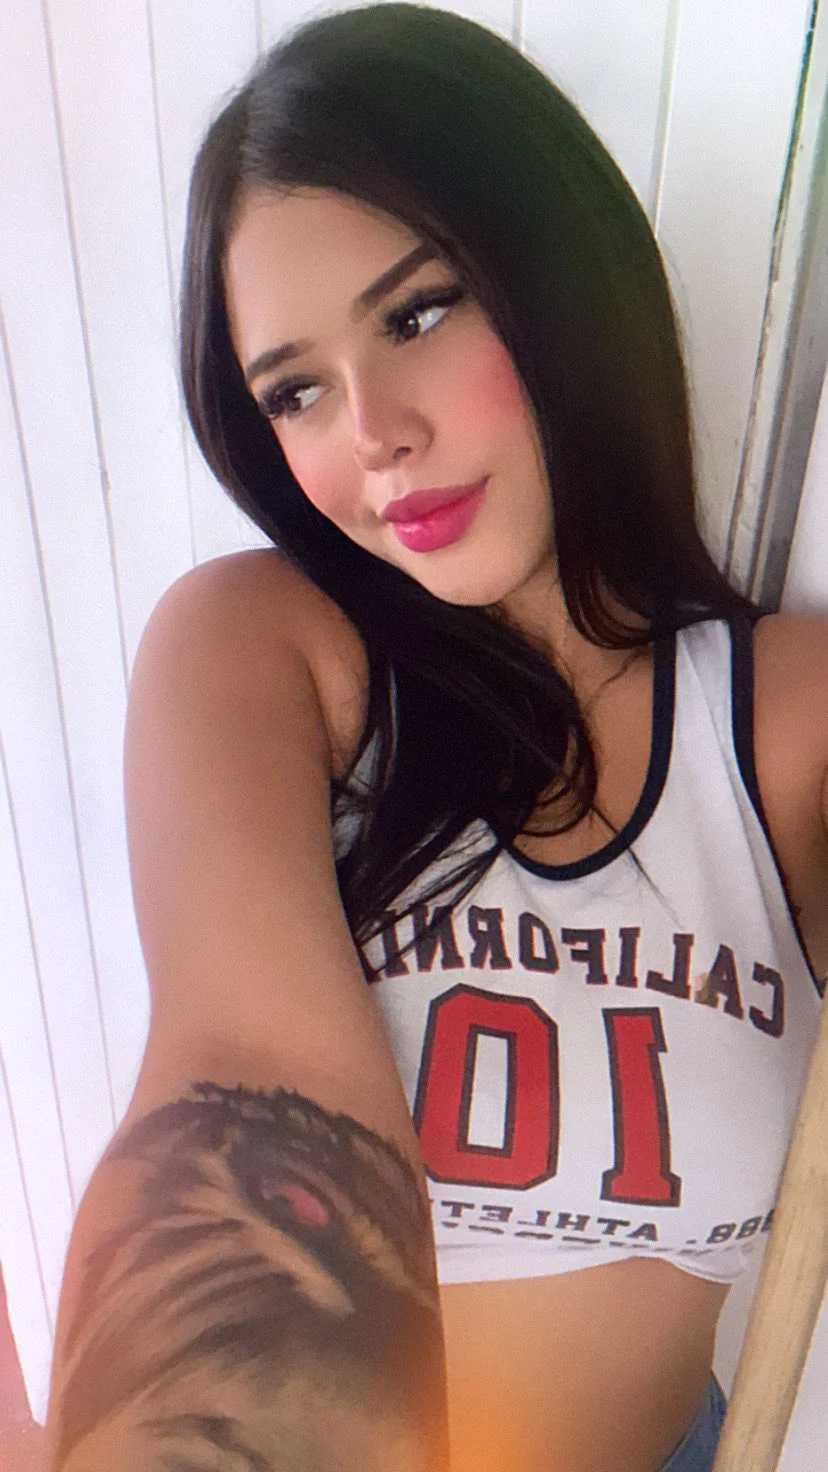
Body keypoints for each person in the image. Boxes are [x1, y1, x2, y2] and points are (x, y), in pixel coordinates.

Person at [44, 6, 826, 1471]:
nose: (375, 435)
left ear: (558, 274)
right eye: (296, 390)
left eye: (417, 315)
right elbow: (250, 1090)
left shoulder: (780, 719)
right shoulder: (262, 652)